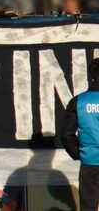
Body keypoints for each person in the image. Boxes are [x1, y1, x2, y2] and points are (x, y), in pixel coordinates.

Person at [61, 58, 99, 211]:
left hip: (89, 161)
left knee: (88, 207)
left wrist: (79, 153)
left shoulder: (78, 101)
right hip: (89, 160)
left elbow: (66, 135)